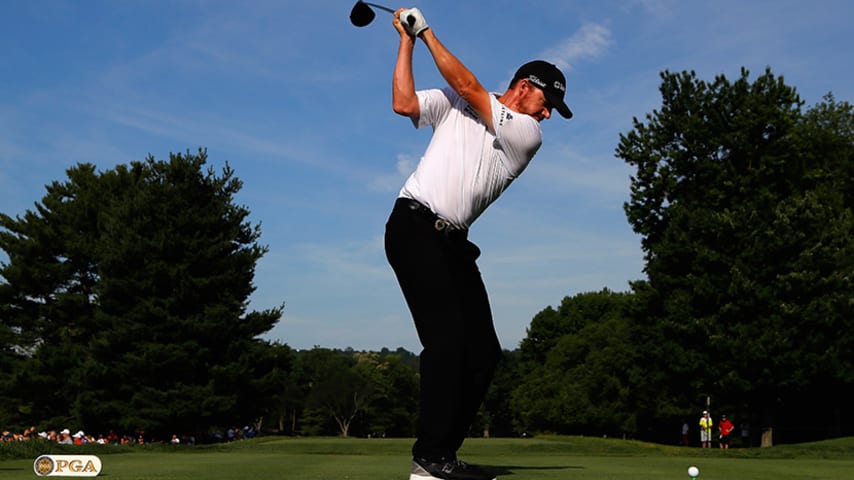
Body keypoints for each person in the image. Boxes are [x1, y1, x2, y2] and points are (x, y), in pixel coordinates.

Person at [383, 6, 572, 480]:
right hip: (412, 226)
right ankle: (430, 458)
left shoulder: (526, 133)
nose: (548, 114)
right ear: (525, 86)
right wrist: (407, 40)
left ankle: (440, 453)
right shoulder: (457, 98)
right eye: (547, 102)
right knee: (446, 343)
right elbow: (403, 104)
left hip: (453, 243)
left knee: (484, 353)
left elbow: (469, 88)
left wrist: (425, 32)